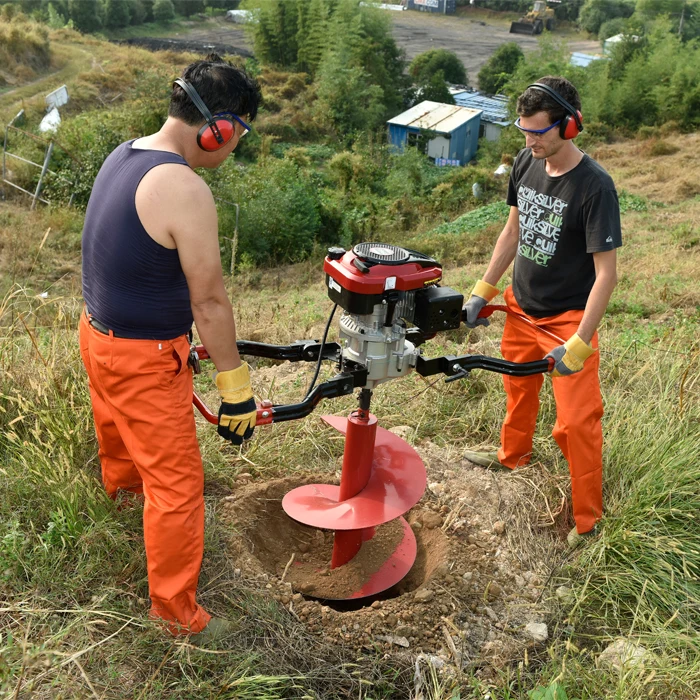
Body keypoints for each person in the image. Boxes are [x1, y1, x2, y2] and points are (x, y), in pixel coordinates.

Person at [79, 54, 261, 642]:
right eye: (240, 134)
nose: (232, 147)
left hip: (97, 337)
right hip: (144, 359)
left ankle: (127, 506)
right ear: (221, 128)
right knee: (179, 487)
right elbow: (208, 301)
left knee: (120, 441)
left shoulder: (124, 152)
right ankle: (177, 613)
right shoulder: (184, 186)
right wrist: (236, 389)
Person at [462, 76, 621, 549]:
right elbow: (513, 231)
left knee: (577, 423)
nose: (529, 141)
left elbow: (607, 275)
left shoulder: (595, 188)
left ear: (569, 127)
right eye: (523, 130)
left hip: (568, 320)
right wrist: (483, 288)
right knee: (517, 386)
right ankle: (512, 455)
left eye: (539, 132)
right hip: (520, 307)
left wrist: (581, 340)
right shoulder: (525, 165)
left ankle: (588, 520)